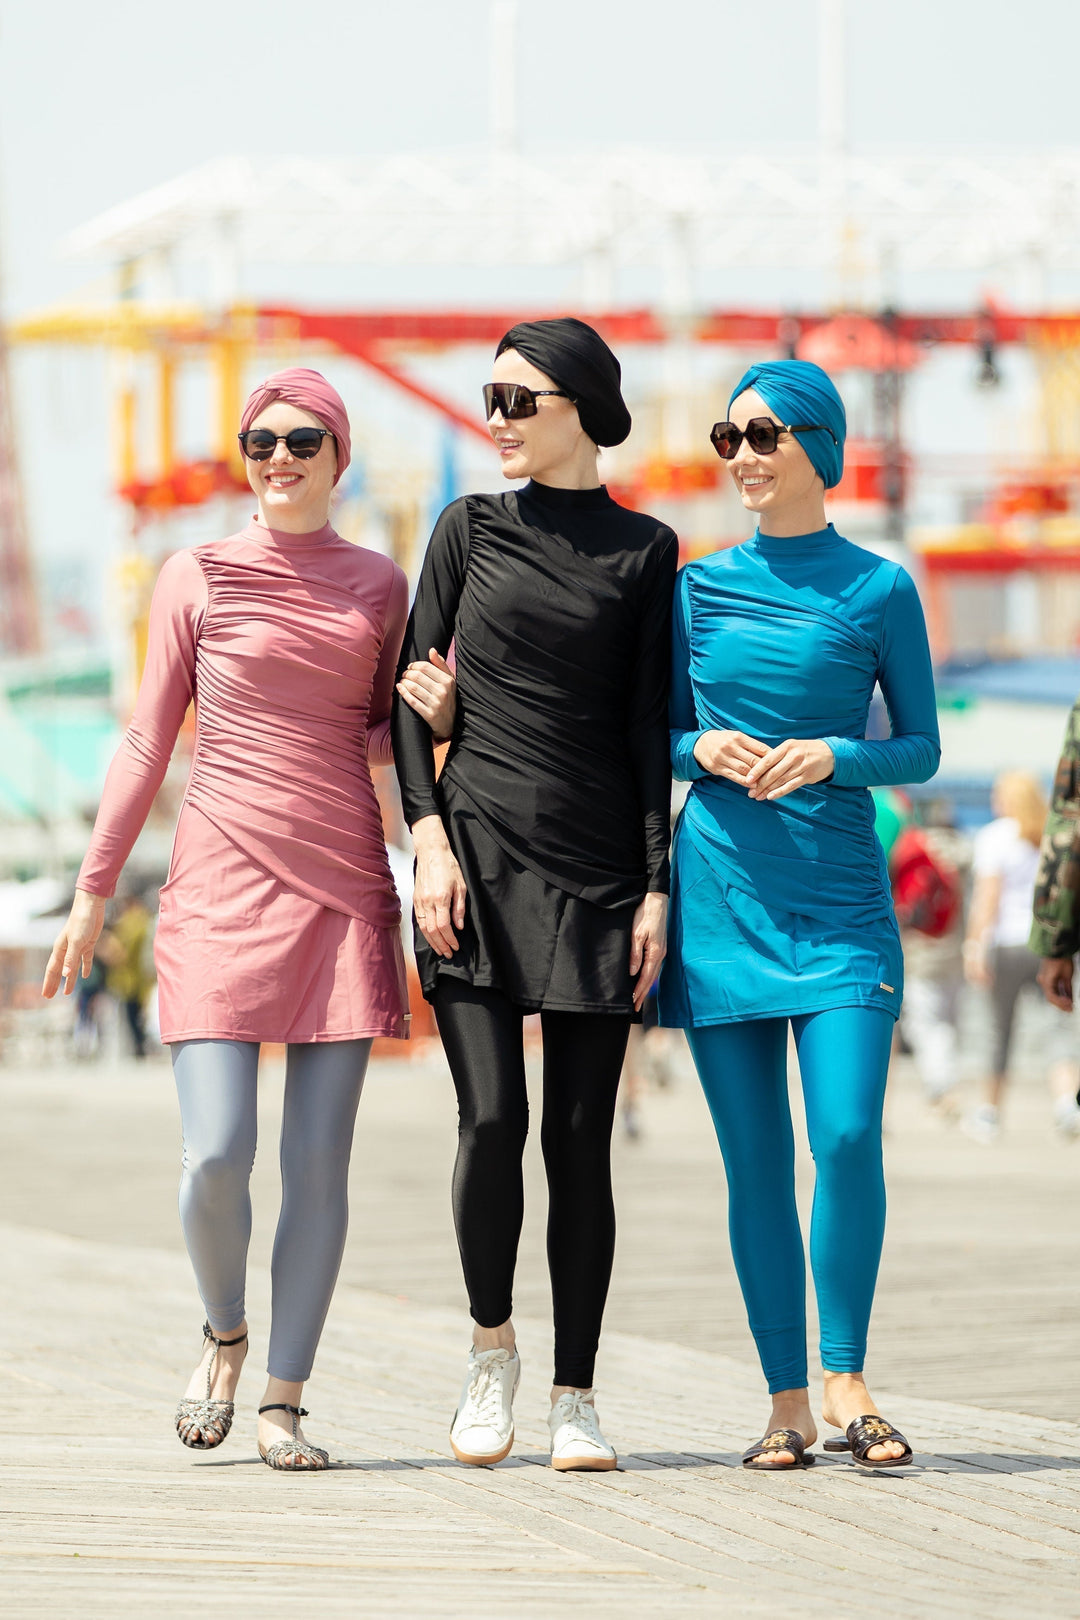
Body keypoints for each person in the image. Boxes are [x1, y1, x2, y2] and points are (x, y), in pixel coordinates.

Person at [44, 369, 454, 1471]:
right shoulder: (196, 572)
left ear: (340, 456)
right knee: (215, 1154)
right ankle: (223, 1332)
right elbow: (145, 740)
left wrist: (443, 722)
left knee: (319, 1165)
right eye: (259, 439)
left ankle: (283, 1398)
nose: (278, 456)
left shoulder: (378, 584)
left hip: (339, 891)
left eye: (303, 439)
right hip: (214, 889)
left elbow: (383, 742)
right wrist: (92, 891)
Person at [393, 318, 677, 1472]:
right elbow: (414, 700)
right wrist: (428, 839)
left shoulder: (648, 550)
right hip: (472, 856)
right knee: (492, 1120)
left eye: (518, 401)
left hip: (603, 873)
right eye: (489, 398)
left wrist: (658, 886)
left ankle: (575, 1396)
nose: (496, 419)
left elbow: (645, 728)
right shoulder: (467, 528)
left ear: (580, 407)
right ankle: (490, 1353)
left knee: (578, 1139)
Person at [659, 359, 939, 1471]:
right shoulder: (693, 588)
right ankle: (785, 1400)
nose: (743, 455)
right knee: (756, 1162)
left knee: (849, 1133)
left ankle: (848, 1373)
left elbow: (920, 744)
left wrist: (835, 754)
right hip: (722, 896)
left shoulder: (881, 589)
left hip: (839, 903)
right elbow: (649, 735)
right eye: (729, 437)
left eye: (765, 433)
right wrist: (697, 746)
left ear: (820, 447)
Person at [963, 772, 1080, 1142]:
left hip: (1007, 946)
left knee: (999, 1031)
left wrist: (973, 946)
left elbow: (988, 899)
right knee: (1057, 1028)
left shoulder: (995, 836)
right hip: (1046, 945)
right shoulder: (1051, 835)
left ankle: (990, 1114)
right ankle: (1066, 1105)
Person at [106, 890, 155, 1058]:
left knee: (132, 1016)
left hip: (130, 979)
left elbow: (121, 952)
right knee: (140, 1015)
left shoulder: (130, 923)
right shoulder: (146, 920)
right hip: (145, 977)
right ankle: (141, 1045)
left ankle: (138, 1046)